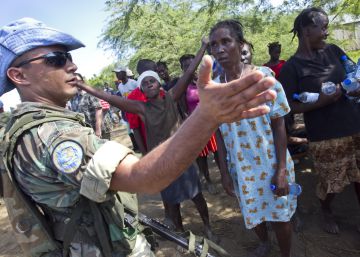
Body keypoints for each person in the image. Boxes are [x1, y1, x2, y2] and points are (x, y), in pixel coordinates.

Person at [76, 37, 218, 240]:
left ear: (159, 84)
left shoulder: (171, 96)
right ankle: (181, 234)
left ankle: (208, 227)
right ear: (141, 89)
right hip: (161, 161)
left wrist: (204, 46)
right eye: (145, 83)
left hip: (182, 157)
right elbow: (109, 98)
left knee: (196, 195)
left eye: (152, 81)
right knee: (172, 202)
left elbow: (188, 73)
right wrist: (84, 86)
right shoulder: (141, 108)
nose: (149, 84)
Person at [209, 20, 296, 257]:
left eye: (226, 41)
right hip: (241, 167)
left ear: (240, 44)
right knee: (252, 211)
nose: (219, 49)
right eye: (214, 45)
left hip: (271, 163)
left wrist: (280, 171)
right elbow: (218, 131)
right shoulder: (215, 90)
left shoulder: (263, 78)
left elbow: (279, 124)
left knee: (280, 214)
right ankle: (264, 242)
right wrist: (225, 172)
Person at [278, 7, 360, 234]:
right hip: (325, 135)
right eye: (322, 27)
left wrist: (356, 89)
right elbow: (287, 107)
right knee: (331, 183)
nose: (327, 32)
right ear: (306, 30)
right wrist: (320, 102)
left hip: (355, 124)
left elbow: (353, 75)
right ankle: (326, 210)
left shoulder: (333, 51)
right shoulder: (291, 68)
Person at [113, 66, 139, 151]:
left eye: (118, 73)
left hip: (137, 110)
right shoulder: (120, 86)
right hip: (128, 112)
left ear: (124, 73)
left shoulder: (134, 83)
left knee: (139, 128)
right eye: (116, 73)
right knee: (130, 131)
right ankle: (136, 147)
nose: (117, 75)